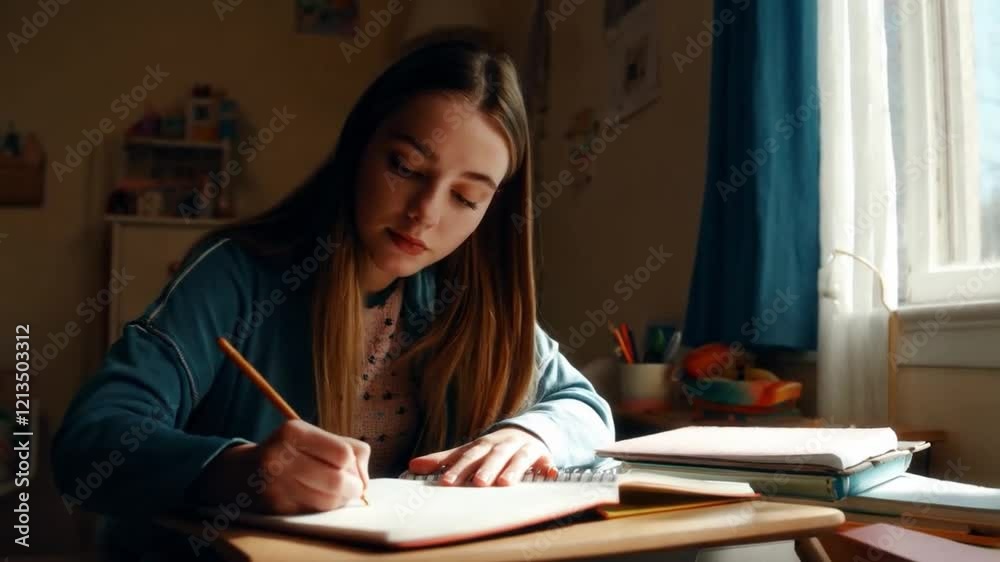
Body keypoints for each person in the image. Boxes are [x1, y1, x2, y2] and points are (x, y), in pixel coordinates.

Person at [51, 39, 614, 557]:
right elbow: (86, 443)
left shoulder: (462, 297)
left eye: (466, 197)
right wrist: (236, 473)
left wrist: (531, 432)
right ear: (359, 147)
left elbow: (585, 408)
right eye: (405, 167)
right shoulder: (237, 275)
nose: (426, 213)